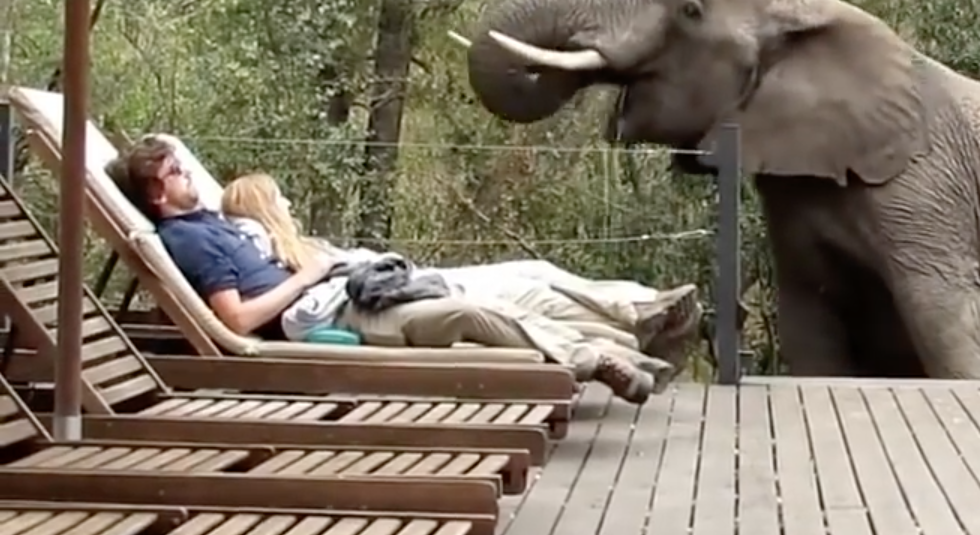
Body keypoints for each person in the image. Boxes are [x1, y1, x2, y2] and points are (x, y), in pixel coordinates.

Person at [104, 137, 665, 403]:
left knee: (495, 305)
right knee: (472, 312)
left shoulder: (210, 220)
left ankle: (613, 355)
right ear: (157, 192)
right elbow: (239, 320)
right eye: (178, 172)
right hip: (331, 314)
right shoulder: (189, 240)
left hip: (348, 292)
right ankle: (598, 360)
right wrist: (309, 274)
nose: (189, 177)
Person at [218, 172, 701, 373]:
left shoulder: (301, 247)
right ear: (263, 207)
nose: (288, 202)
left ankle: (638, 315)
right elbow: (256, 294)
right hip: (398, 295)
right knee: (524, 287)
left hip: (408, 281)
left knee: (532, 273)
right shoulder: (266, 247)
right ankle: (635, 323)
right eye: (278, 197)